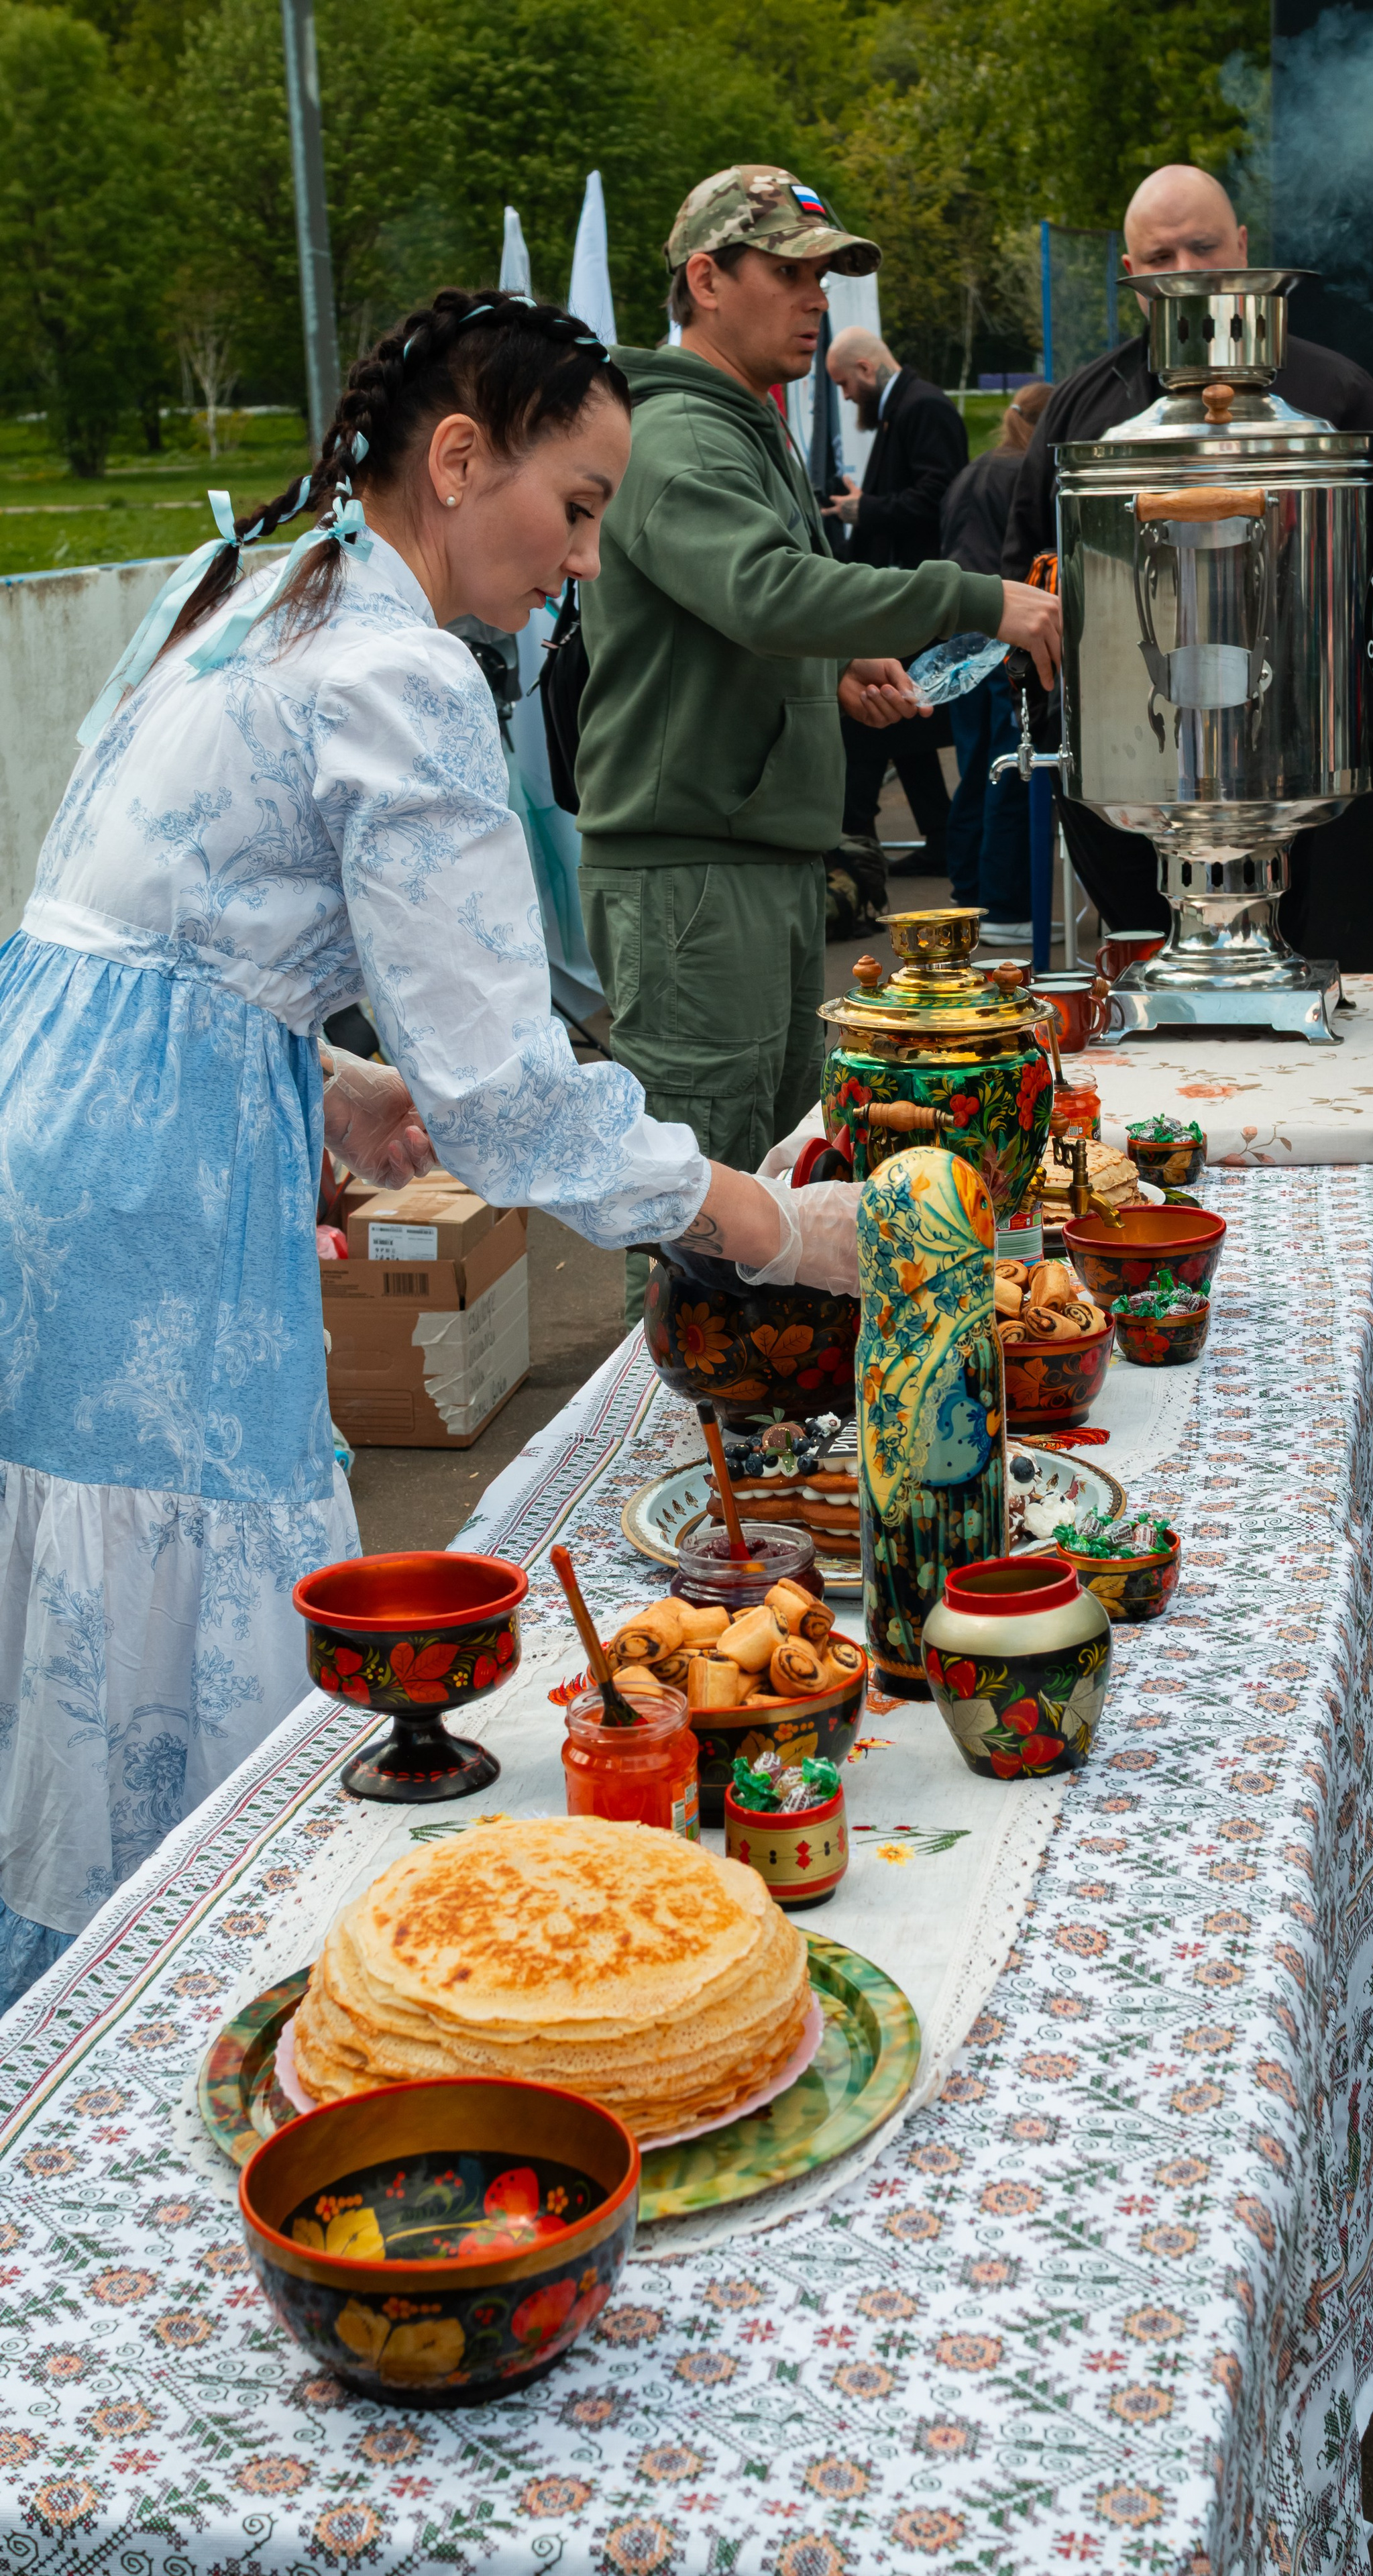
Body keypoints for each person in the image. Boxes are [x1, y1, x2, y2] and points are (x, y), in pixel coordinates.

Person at [0, 290, 861, 2015]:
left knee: (74, 1572)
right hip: (150, 1188)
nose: (587, 563)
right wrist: (765, 1220)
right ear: (459, 461)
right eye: (579, 506)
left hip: (56, 1108)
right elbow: (509, 1103)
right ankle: (174, 2007)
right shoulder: (398, 669)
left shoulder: (254, 577)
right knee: (193, 1593)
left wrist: (314, 1076)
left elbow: (137, 912)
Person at [574, 167, 1060, 1320]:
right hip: (697, 874)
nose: (816, 302)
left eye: (824, 277)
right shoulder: (683, 431)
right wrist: (979, 600)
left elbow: (733, 620)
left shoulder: (736, 424)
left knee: (768, 1199)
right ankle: (677, 1458)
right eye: (788, 273)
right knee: (696, 1210)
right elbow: (760, 590)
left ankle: (758, 1461)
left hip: (744, 861)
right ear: (705, 278)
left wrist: (830, 675)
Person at [1001, 163, 1373, 933]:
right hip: (1125, 761)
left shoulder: (1332, 394)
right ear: (1130, 273)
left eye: (1203, 248)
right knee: (1139, 950)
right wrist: (1056, 721)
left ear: (1242, 244)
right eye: (1161, 260)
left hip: (1295, 757)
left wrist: (1351, 714)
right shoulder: (1086, 406)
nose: (1186, 275)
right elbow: (1025, 564)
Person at [823, 326, 972, 875]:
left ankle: (854, 841)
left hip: (914, 595)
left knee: (880, 721)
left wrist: (868, 511)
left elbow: (939, 495)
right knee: (905, 722)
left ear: (865, 369)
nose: (844, 397)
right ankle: (938, 834)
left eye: (843, 383)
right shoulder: (908, 406)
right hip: (906, 593)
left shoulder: (920, 407)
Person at [938, 380, 1052, 941]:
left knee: (978, 766)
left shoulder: (975, 470)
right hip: (1003, 630)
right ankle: (1007, 905)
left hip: (962, 630)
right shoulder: (1022, 475)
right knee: (1014, 760)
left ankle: (971, 892)